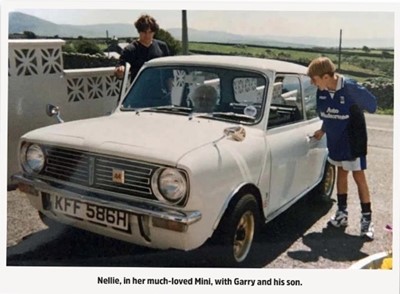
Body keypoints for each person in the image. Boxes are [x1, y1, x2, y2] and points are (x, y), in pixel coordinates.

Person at [307, 56, 377, 240]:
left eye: (314, 80)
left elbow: (373, 105)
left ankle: (367, 220)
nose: (313, 84)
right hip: (335, 140)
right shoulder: (322, 91)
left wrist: (356, 106)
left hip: (353, 141)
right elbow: (328, 114)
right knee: (341, 172)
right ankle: (342, 214)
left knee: (358, 176)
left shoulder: (350, 87)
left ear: (326, 76)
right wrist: (322, 131)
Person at [114, 14, 170, 82]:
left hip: (159, 90)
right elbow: (119, 70)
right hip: (140, 90)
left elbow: (169, 71)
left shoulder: (162, 47)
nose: (147, 35)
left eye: (150, 32)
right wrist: (120, 71)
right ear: (139, 31)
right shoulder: (130, 50)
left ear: (154, 32)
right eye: (144, 32)